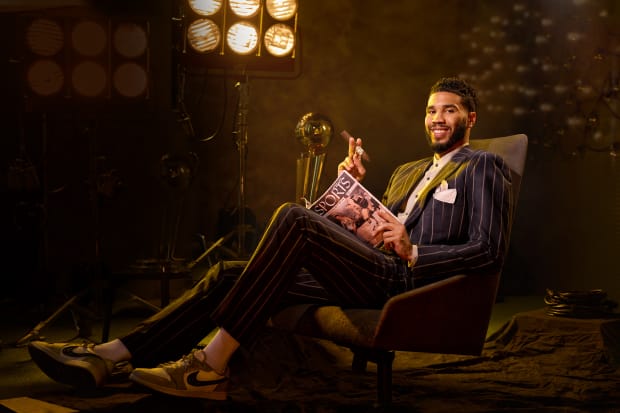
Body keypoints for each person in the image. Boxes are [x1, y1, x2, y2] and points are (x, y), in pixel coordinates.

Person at [28, 77, 513, 400]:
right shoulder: (408, 171)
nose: (437, 118)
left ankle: (209, 365)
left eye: (450, 111)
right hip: (368, 266)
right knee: (228, 273)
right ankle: (116, 355)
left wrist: (416, 251)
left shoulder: (484, 166)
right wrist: (351, 188)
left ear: (470, 119)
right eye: (431, 110)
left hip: (408, 283)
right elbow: (373, 226)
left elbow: (490, 249)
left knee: (293, 218)